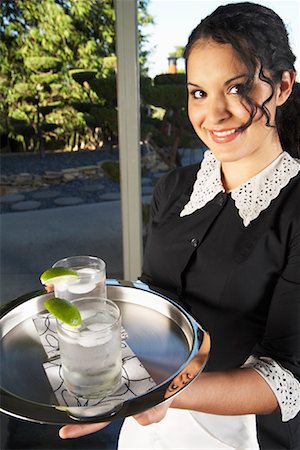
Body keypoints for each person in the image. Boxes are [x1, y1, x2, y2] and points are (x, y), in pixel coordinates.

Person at [58, 2, 300, 448]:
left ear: (282, 86)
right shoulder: (174, 188)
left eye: (237, 87)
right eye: (199, 93)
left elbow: (289, 376)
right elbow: (155, 296)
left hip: (240, 433)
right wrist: (96, 303)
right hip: (149, 422)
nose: (214, 115)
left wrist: (167, 394)